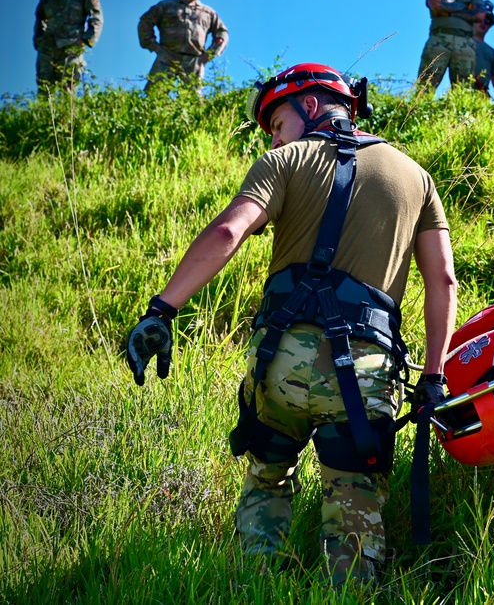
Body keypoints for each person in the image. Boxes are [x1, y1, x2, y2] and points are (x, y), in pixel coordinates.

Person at [123, 63, 457, 586]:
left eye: (276, 123)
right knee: (354, 505)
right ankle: (348, 592)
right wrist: (433, 376)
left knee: (265, 479)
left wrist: (162, 310)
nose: (275, 137)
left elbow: (230, 230)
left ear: (307, 106)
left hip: (279, 364)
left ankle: (255, 585)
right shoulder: (416, 176)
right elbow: (444, 281)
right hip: (365, 378)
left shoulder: (284, 161)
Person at [138, 0, 229, 94]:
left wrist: (209, 55)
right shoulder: (165, 6)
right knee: (154, 95)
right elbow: (145, 22)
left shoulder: (208, 13)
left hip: (194, 61)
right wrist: (154, 46)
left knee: (193, 101)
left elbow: (222, 33)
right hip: (167, 57)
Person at [417, 0, 489, 91]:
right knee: (424, 89)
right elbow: (436, 4)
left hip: (466, 42)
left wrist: (448, 9)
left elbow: (480, 15)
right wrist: (467, 8)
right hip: (439, 39)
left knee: (462, 92)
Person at [33, 0, 102, 93]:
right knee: (45, 92)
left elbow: (96, 16)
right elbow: (39, 16)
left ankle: (66, 117)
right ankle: (45, 116)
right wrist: (39, 40)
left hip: (71, 48)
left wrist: (85, 40)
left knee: (68, 92)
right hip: (48, 49)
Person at [472, 5, 494, 99]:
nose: (483, 22)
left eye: (488, 20)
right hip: (460, 90)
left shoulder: (492, 52)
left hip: (482, 95)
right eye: (479, 18)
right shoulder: (462, 42)